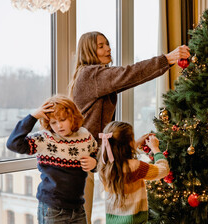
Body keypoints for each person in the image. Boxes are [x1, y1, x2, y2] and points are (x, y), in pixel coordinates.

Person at [68, 31, 190, 223]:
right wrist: (168, 58)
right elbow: (130, 73)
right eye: (101, 46)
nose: (108, 48)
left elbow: (133, 79)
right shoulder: (91, 75)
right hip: (81, 161)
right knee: (82, 219)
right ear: (89, 50)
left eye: (107, 44)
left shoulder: (95, 76)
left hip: (89, 157)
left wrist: (131, 146)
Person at [6, 94, 98, 224]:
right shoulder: (45, 139)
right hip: (52, 209)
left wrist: (94, 163)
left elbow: (97, 156)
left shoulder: (85, 136)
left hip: (78, 208)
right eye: (54, 122)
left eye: (63, 119)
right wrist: (33, 117)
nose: (59, 125)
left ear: (73, 117)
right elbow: (13, 143)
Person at [97, 121, 169, 224]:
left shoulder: (104, 164)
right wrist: (155, 148)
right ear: (129, 143)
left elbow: (118, 152)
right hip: (134, 221)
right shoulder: (136, 167)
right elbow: (163, 169)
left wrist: (138, 142)